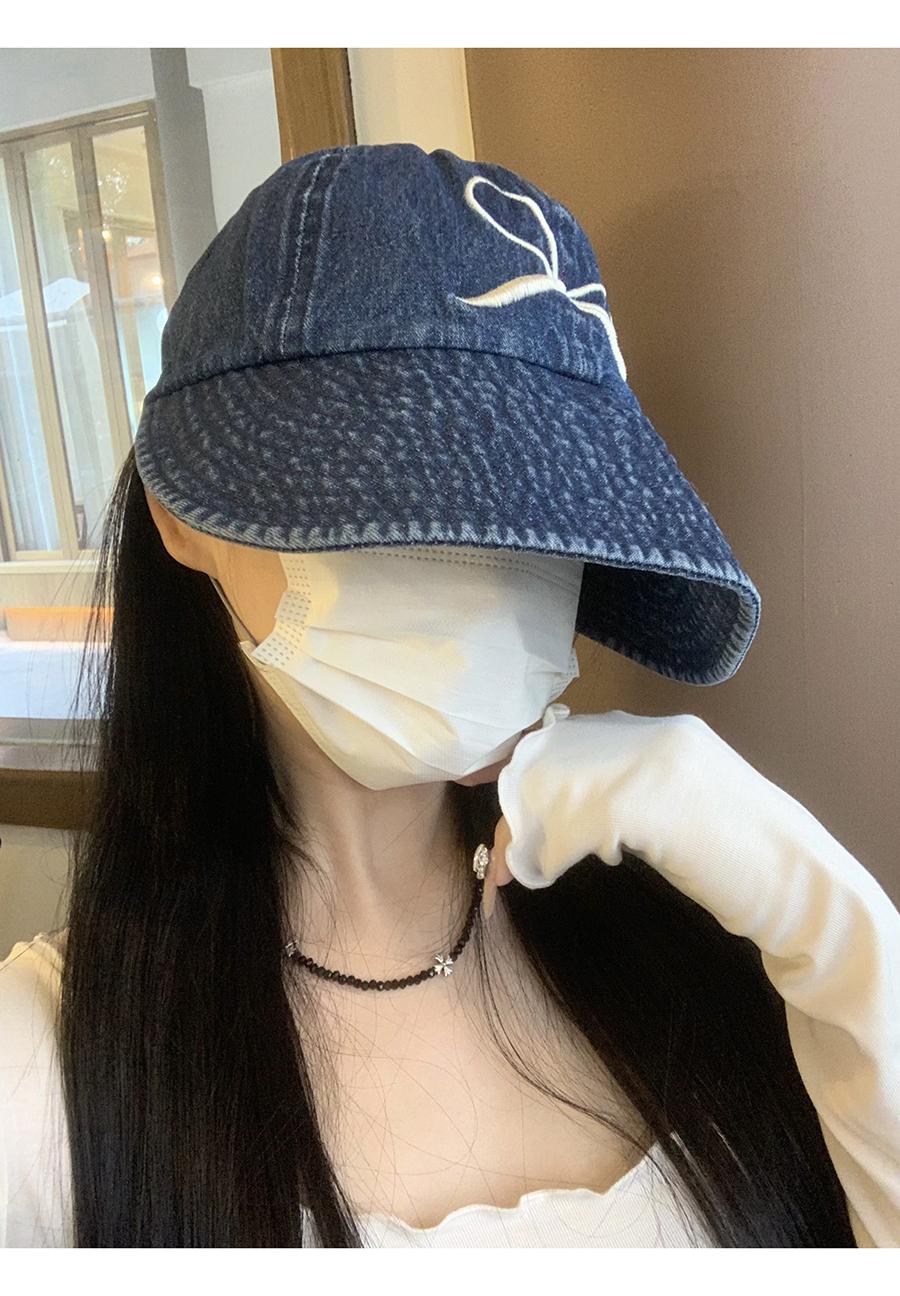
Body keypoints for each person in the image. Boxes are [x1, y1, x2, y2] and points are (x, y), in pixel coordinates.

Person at [1, 143, 897, 1249]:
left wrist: (835, 934)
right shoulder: (46, 1082)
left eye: (541, 513)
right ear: (184, 515)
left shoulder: (704, 947)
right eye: (398, 496)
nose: (487, 574)